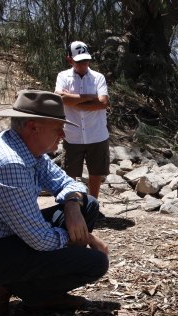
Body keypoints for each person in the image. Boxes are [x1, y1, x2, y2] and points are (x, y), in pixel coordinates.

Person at [0, 90, 110, 316]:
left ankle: (40, 295)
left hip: (0, 238)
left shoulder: (25, 148)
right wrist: (86, 239)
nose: (62, 134)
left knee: (87, 206)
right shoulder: (9, 163)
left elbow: (68, 182)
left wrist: (72, 206)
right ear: (33, 128)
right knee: (94, 262)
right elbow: (39, 240)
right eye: (57, 128)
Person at [55, 41, 110, 199]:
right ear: (69, 59)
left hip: (96, 134)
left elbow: (103, 103)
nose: (84, 64)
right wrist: (90, 98)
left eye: (86, 61)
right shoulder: (63, 76)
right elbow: (60, 98)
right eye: (79, 61)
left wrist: (73, 101)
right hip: (72, 135)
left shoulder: (98, 77)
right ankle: (72, 203)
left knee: (96, 172)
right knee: (70, 173)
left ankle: (93, 203)